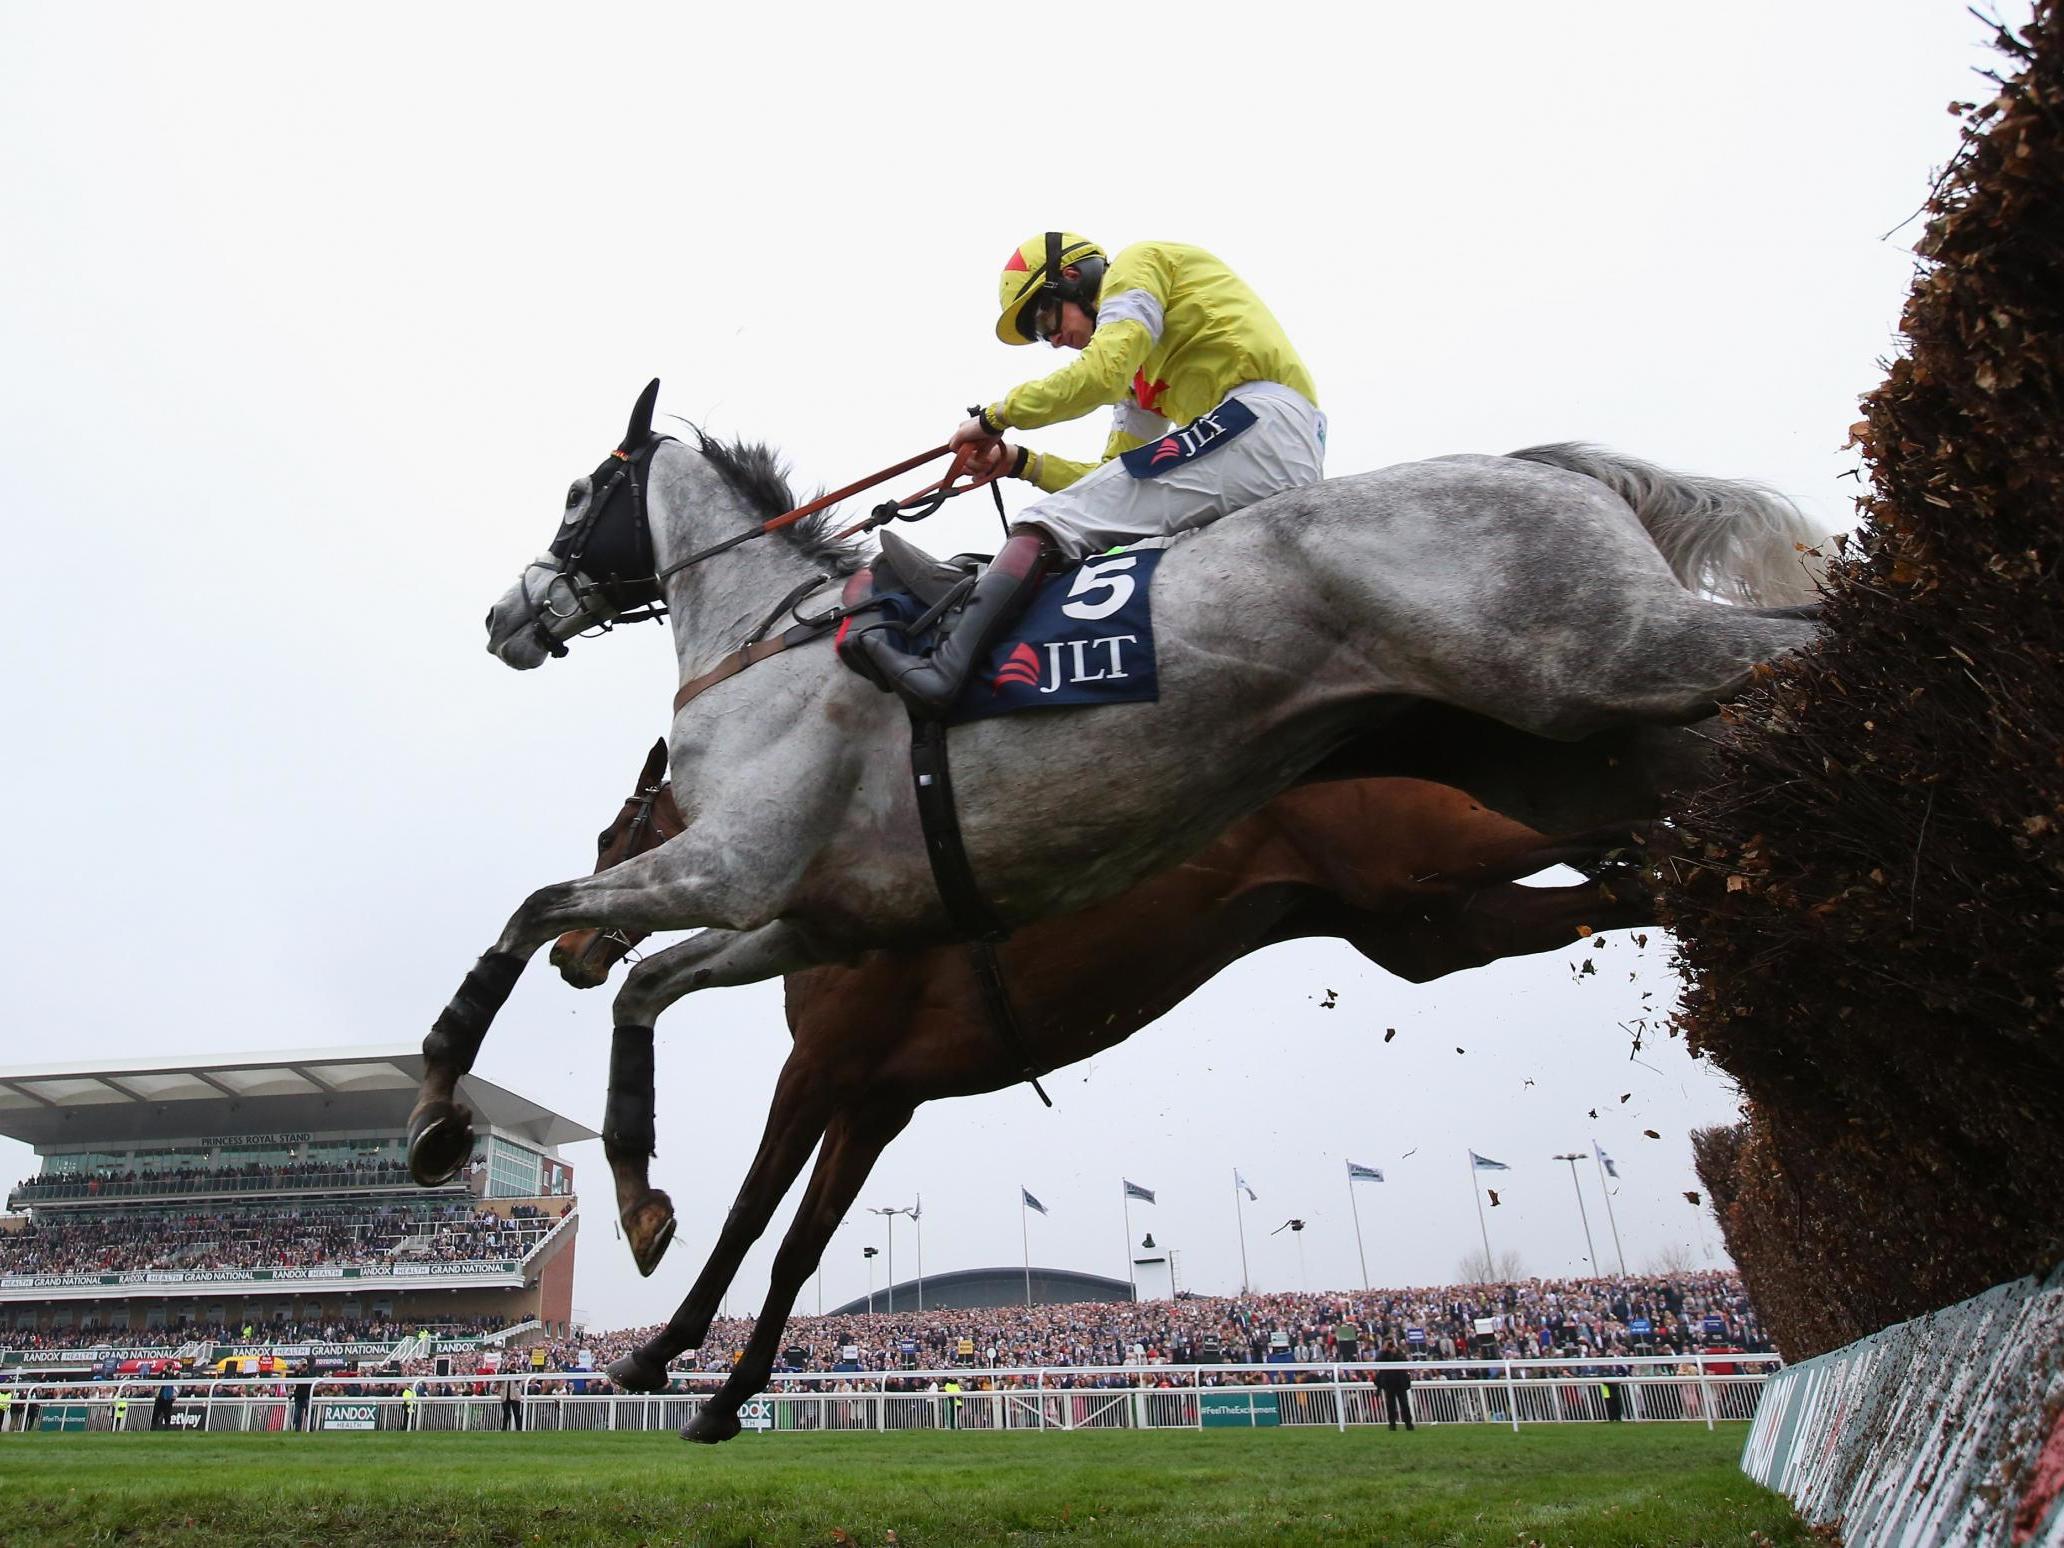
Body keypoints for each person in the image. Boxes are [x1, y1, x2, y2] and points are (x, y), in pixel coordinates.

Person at [848, 231, 1325, 713]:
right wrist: (1018, 462)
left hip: (1257, 423)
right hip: (1258, 441)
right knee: (1089, 513)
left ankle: (944, 671)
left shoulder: (1138, 265)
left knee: (1049, 520)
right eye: (1040, 335)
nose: (1052, 341)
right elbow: (1111, 474)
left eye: (1043, 318)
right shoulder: (1139, 376)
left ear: (1073, 279)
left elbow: (1099, 375)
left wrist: (994, 416)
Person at [1375, 1343, 1414, 1431]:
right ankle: (1392, 1424)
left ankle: (1408, 1424)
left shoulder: (1399, 1352)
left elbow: (1404, 1361)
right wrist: (1384, 1351)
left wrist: (1395, 1353)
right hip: (1388, 1383)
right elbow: (1377, 1361)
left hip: (1400, 1383)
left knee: (1404, 1404)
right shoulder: (1383, 1354)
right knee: (1390, 1405)